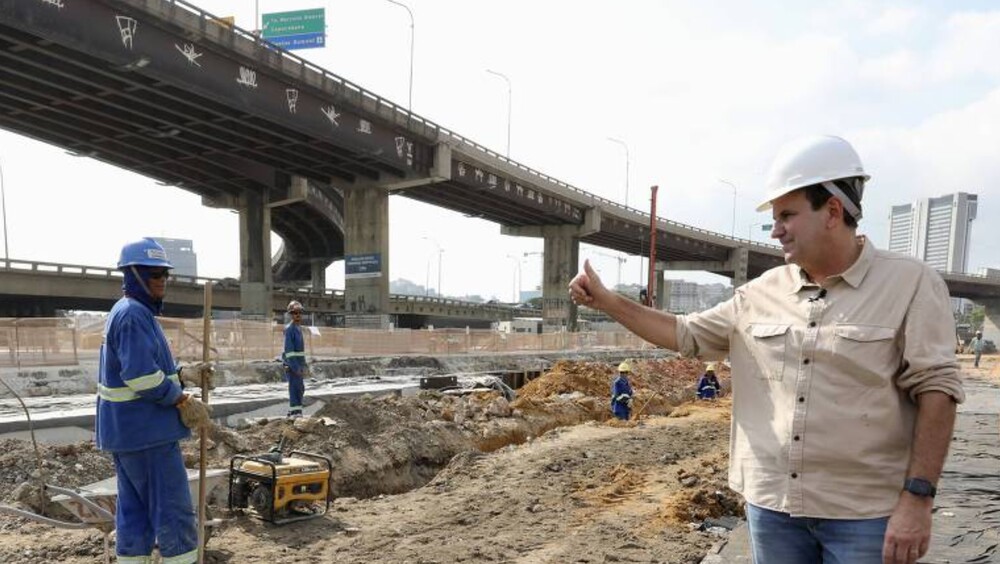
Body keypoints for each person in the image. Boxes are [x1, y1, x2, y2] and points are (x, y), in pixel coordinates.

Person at [569, 135, 964, 564]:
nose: (775, 230)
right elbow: (684, 334)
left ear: (833, 211)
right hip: (773, 509)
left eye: (787, 216)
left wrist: (918, 498)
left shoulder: (911, 285)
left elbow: (937, 392)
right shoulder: (758, 294)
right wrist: (607, 302)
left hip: (865, 515)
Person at [96, 238, 213, 564]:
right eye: (154, 274)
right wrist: (181, 400)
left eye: (164, 274)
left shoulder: (130, 312)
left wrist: (183, 373)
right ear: (133, 275)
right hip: (148, 433)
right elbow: (141, 377)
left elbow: (143, 368)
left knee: (135, 515)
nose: (161, 280)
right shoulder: (134, 315)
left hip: (129, 434)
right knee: (173, 513)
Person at [283, 300, 308, 418]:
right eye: (295, 313)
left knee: (300, 388)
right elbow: (289, 352)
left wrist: (304, 365)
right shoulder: (290, 329)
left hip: (298, 365)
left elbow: (300, 352)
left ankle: (296, 411)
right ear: (291, 315)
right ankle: (295, 413)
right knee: (294, 388)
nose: (297, 315)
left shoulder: (298, 329)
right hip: (292, 366)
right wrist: (296, 367)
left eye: (299, 313)